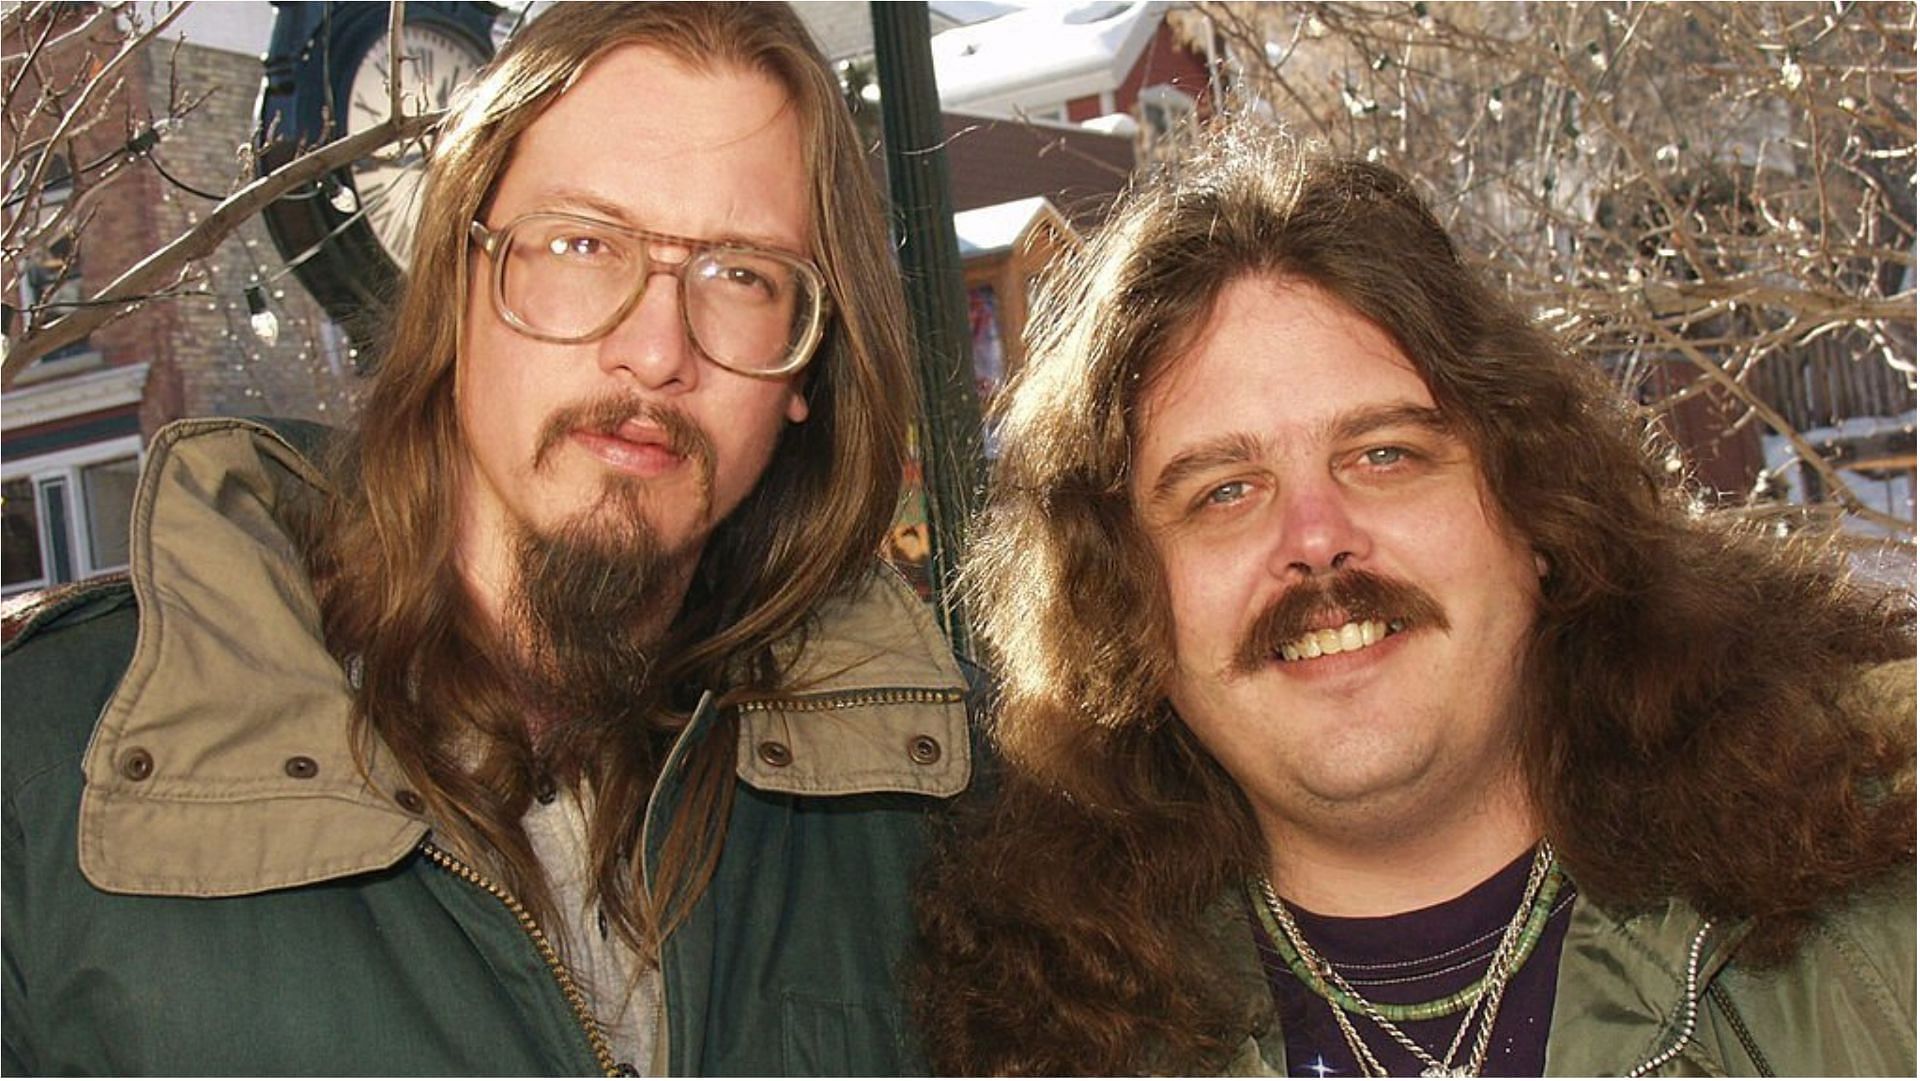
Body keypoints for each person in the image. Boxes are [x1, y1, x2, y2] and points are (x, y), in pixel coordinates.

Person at [3, 4, 976, 1075]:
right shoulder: (47, 779)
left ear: (809, 363)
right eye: (580, 244)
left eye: (741, 275)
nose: (655, 353)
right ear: (459, 282)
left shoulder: (938, 814)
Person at [912, 125, 1915, 1077]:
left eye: (1385, 453)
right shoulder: (1035, 1022)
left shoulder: (1880, 874)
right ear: (1120, 603)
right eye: (1224, 491)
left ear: (1538, 514)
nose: (1315, 539)